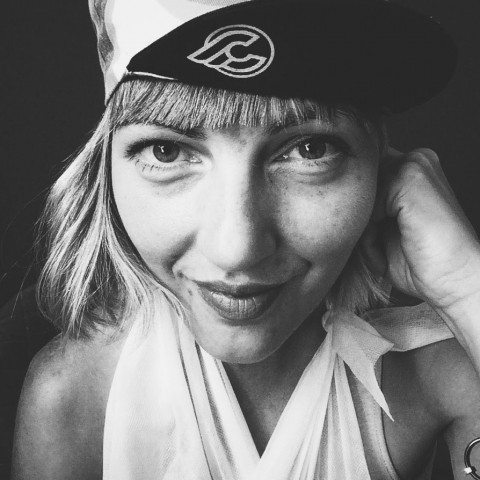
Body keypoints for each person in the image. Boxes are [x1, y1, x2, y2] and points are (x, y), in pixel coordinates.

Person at [9, 0, 480, 479]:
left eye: (310, 149)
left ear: (379, 168)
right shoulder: (72, 399)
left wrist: (467, 286)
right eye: (167, 151)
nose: (237, 250)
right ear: (106, 170)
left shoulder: (444, 369)